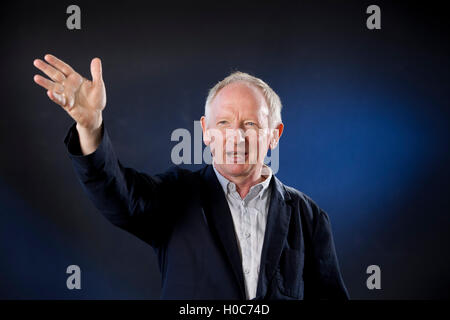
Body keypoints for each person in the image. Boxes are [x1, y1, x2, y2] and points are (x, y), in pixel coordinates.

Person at [33, 54, 349, 300]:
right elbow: (118, 195)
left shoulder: (309, 218)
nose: (236, 137)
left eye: (250, 125)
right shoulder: (177, 196)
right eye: (224, 123)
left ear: (274, 135)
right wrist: (89, 126)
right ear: (206, 133)